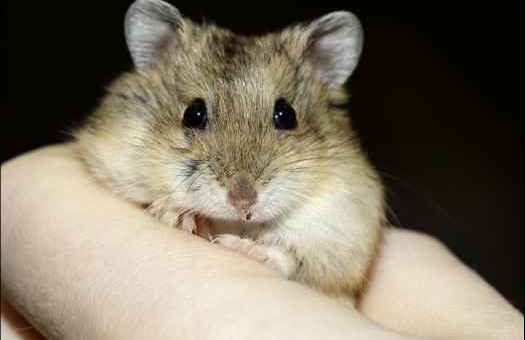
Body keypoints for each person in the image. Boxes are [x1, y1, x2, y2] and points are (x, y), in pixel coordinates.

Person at [1, 144, 523, 339]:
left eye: (282, 119)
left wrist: (283, 258)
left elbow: (340, 270)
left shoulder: (341, 193)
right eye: (197, 119)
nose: (242, 188)